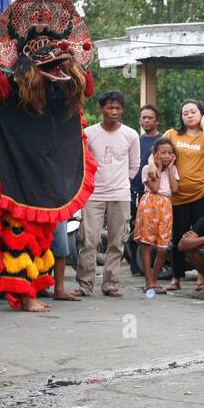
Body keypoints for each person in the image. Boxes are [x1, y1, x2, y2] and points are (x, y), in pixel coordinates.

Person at [0, 0, 98, 313]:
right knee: (18, 234)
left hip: (44, 180)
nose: (56, 69)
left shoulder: (59, 95)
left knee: (41, 237)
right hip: (19, 178)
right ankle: (23, 294)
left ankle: (35, 288)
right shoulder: (9, 91)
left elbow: (78, 97)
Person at [75, 90, 139, 297]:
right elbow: (82, 160)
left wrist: (121, 182)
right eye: (110, 107)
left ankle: (110, 284)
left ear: (122, 110)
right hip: (93, 194)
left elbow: (134, 165)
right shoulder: (90, 133)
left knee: (116, 241)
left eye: (118, 108)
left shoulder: (130, 134)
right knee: (89, 240)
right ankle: (85, 285)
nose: (114, 111)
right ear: (102, 109)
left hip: (120, 194)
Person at [163, 99, 204, 291]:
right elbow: (158, 152)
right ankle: (176, 278)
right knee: (179, 237)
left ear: (201, 114)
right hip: (177, 195)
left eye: (193, 112)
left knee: (202, 235)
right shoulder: (172, 134)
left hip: (200, 193)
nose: (188, 115)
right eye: (185, 112)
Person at [133, 136, 179, 297]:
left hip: (166, 206)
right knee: (147, 244)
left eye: (169, 153)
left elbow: (174, 188)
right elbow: (155, 187)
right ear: (155, 154)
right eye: (163, 153)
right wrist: (157, 167)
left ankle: (154, 279)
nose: (166, 156)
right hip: (150, 205)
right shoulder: (148, 169)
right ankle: (148, 282)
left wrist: (171, 168)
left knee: (163, 248)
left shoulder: (173, 169)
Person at [127, 103, 161, 275]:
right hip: (134, 191)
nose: (146, 121)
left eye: (150, 118)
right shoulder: (135, 140)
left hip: (155, 192)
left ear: (157, 121)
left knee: (153, 229)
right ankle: (135, 266)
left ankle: (153, 267)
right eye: (143, 118)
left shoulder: (162, 141)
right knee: (134, 227)